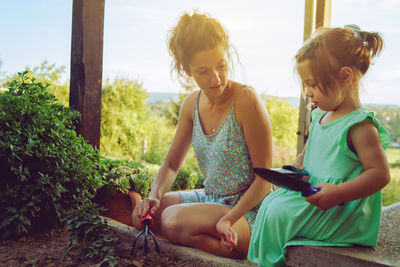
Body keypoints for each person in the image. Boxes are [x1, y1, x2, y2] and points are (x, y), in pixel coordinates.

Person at [131, 10, 273, 259]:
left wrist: (229, 219)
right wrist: (154, 196)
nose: (216, 78)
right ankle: (211, 239)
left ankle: (242, 253)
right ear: (186, 69)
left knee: (173, 221)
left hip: (249, 211)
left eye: (221, 65)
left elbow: (265, 181)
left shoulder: (246, 101)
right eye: (203, 71)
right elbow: (172, 164)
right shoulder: (191, 104)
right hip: (212, 198)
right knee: (145, 213)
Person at [248, 25, 391, 266]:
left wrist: (338, 193)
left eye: (312, 84)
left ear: (345, 76)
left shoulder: (359, 125)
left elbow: (380, 174)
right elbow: (309, 153)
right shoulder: (319, 115)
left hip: (343, 210)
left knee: (279, 213)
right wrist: (297, 168)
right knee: (271, 203)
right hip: (316, 195)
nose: (307, 93)